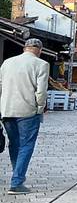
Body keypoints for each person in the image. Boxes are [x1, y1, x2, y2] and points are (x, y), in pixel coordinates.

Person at [0, 38, 49, 194]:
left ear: (24, 48)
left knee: (14, 144)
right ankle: (17, 182)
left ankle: (17, 175)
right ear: (39, 50)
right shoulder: (41, 64)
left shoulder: (7, 63)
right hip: (28, 110)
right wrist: (40, 108)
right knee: (26, 145)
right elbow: (41, 91)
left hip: (7, 109)